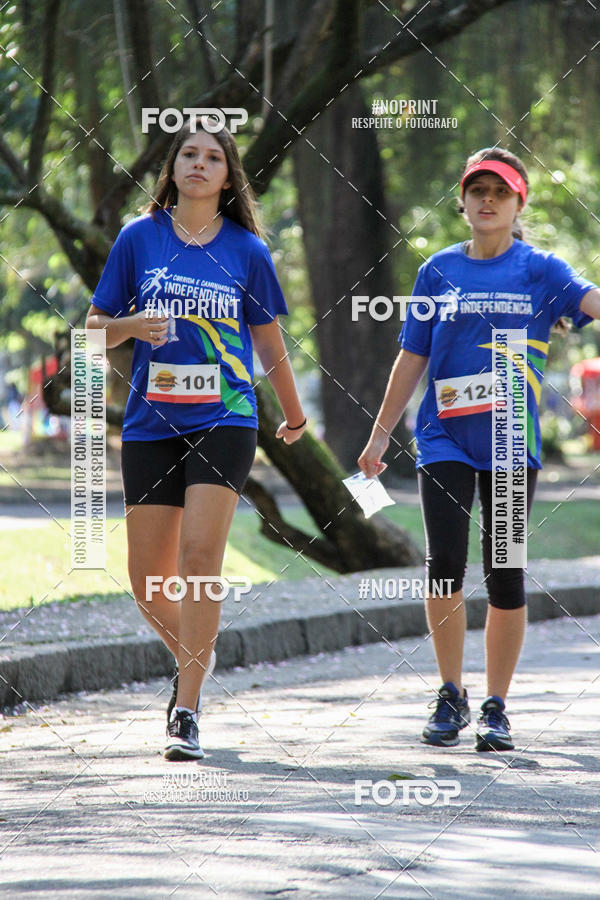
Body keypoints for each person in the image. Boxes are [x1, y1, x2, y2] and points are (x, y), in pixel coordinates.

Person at [358, 148, 600, 751]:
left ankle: (496, 706)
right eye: (477, 190)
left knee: (506, 571)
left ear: (519, 204)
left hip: (511, 441)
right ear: (463, 202)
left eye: (501, 191)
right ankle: (449, 694)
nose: (487, 200)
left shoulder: (541, 269)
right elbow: (412, 355)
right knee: (444, 566)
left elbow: (592, 304)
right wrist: (381, 432)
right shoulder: (437, 271)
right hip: (443, 436)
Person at [86, 117, 306, 760]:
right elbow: (94, 331)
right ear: (173, 166)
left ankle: (187, 707)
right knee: (147, 584)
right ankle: (199, 658)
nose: (200, 164)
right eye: (189, 153)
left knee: (200, 560)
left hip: (226, 418)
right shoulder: (138, 239)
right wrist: (131, 323)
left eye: (214, 156)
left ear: (228, 175)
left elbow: (269, 342)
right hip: (152, 423)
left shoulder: (246, 250)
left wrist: (292, 417)